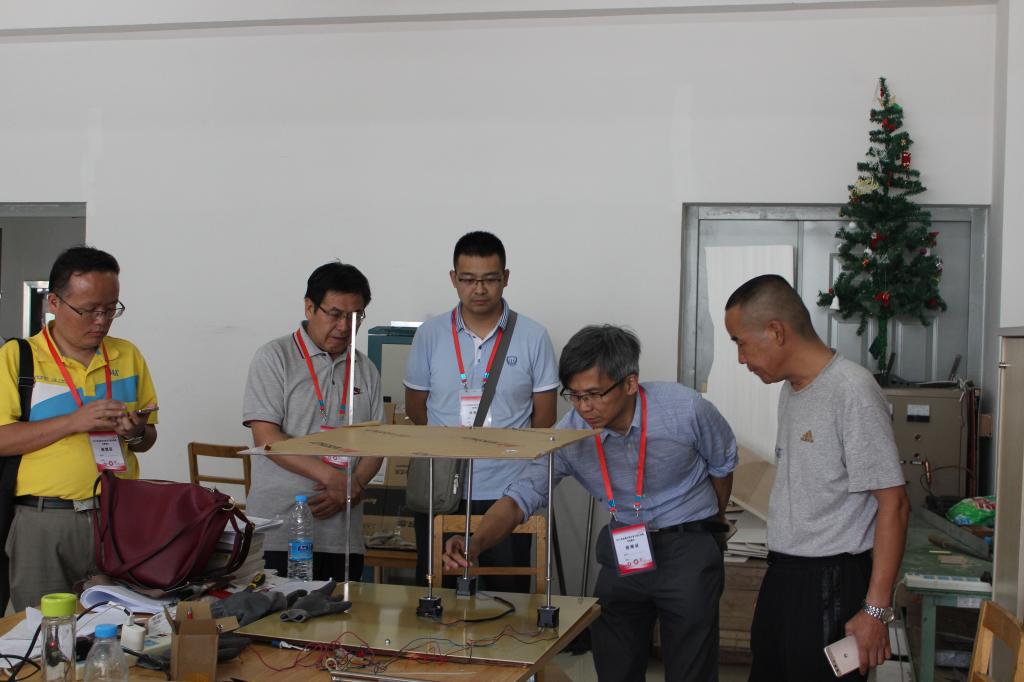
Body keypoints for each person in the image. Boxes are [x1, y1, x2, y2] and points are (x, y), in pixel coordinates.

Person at [443, 325, 737, 682]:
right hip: (625, 547)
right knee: (614, 662)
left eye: (595, 394)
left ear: (630, 383)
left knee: (691, 667)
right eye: (575, 395)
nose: (584, 407)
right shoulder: (571, 434)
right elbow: (520, 497)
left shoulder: (685, 408)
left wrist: (712, 526)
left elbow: (722, 465)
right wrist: (475, 542)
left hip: (686, 545)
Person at [724, 274, 910, 681]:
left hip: (832, 584)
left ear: (776, 331)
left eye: (740, 342)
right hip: (788, 576)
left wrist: (875, 611)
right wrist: (777, 586)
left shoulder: (851, 391)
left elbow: (894, 504)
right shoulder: (792, 390)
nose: (740, 358)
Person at [0, 246, 158, 611]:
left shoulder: (127, 355)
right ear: (54, 302)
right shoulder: (18, 358)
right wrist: (74, 421)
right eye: (88, 310)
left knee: (119, 624)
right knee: (45, 627)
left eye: (111, 309)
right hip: (44, 520)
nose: (101, 321)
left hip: (117, 517)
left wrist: (134, 431)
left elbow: (146, 438)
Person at [404, 230, 558, 591]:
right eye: (468, 279)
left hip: (508, 491)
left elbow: (545, 418)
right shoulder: (430, 335)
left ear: (505, 278)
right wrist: (451, 448)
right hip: (442, 489)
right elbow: (416, 408)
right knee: (437, 594)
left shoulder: (533, 336)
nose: (479, 289)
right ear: (453, 279)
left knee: (509, 597)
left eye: (489, 279)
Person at [243, 262, 384, 582]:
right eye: (335, 314)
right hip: (280, 530)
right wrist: (333, 478)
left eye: (355, 317)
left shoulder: (366, 369)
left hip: (343, 538)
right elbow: (266, 437)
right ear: (309, 307)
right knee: (277, 613)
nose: (344, 326)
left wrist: (354, 484)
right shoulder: (274, 357)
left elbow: (377, 444)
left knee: (342, 614)